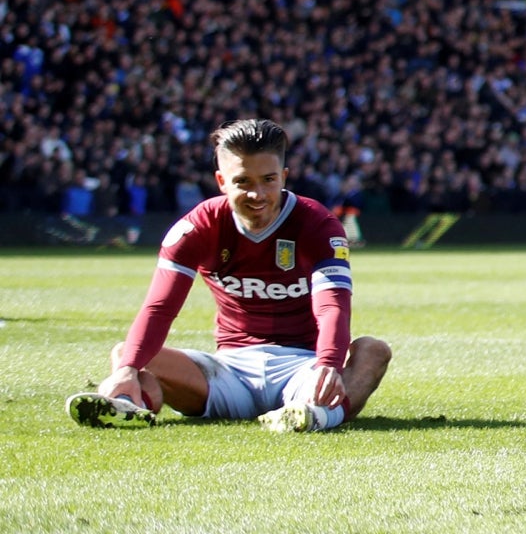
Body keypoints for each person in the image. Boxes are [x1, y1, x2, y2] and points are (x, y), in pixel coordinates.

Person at [67, 118, 391, 433]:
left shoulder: (318, 224)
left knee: (373, 351)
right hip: (228, 372)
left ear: (284, 177)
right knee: (126, 355)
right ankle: (126, 405)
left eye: (268, 179)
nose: (257, 194)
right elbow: (159, 308)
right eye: (243, 182)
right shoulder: (198, 227)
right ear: (222, 181)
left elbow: (332, 306)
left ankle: (312, 414)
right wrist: (127, 371)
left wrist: (328, 365)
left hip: (304, 367)